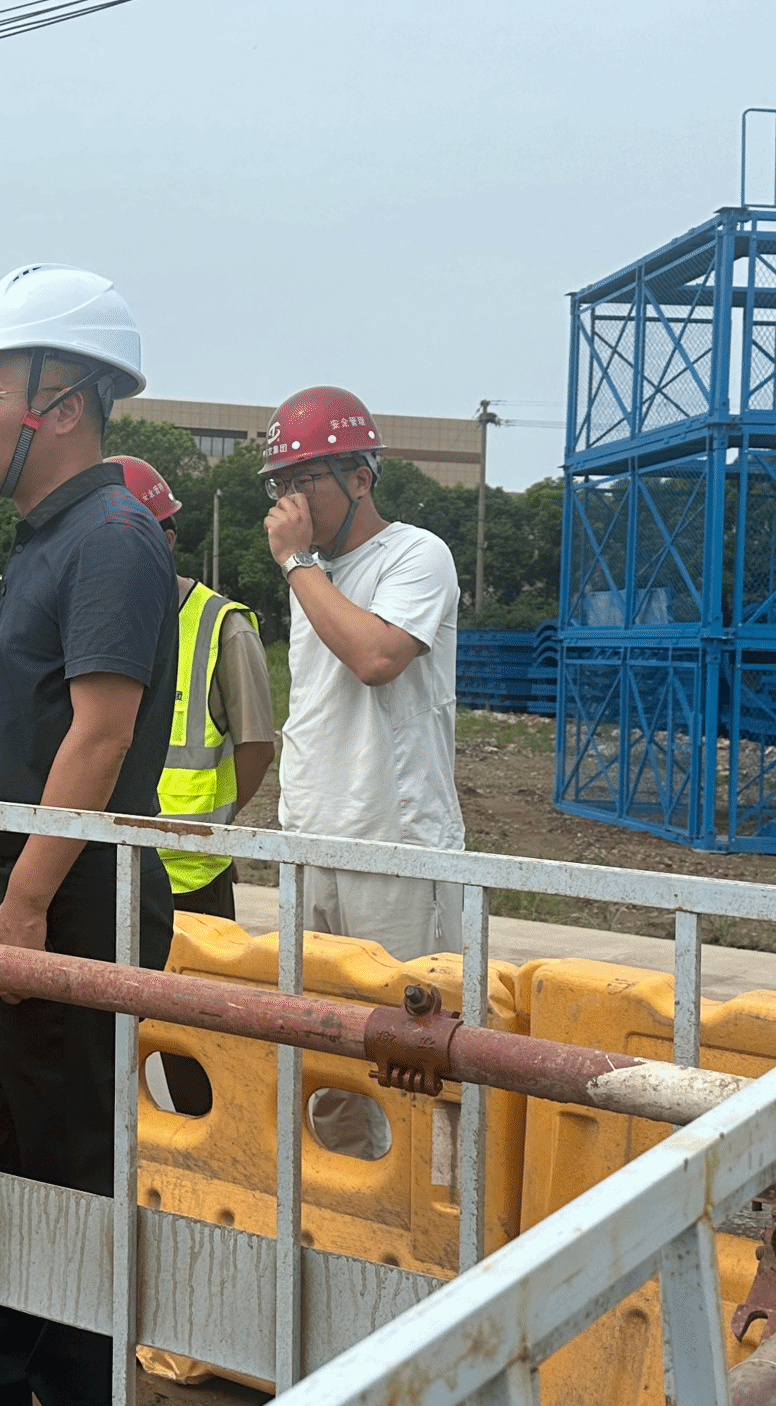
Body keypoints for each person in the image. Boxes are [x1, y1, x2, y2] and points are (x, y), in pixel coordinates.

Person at [0, 265, 178, 1406]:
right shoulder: (47, 535)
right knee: (16, 1158)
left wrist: (22, 905)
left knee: (65, 1170)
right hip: (31, 884)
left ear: (60, 404)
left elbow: (101, 732)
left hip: (70, 897)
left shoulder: (112, 536)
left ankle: (66, 1386)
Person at [261, 386, 463, 1158]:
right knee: (324, 1053)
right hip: (314, 843)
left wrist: (297, 563)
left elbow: (377, 657)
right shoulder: (311, 576)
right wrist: (305, 569)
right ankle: (341, 1208)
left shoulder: (416, 555)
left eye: (305, 479)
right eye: (281, 483)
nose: (290, 500)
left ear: (360, 477)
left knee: (417, 1051)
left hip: (394, 846)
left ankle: (429, 1208)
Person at [108, 455, 273, 1116]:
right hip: (100, 869)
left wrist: (209, 822)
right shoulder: (86, 617)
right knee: (104, 1040)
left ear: (166, 539)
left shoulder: (221, 626)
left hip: (189, 880)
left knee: (194, 1053)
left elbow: (254, 747)